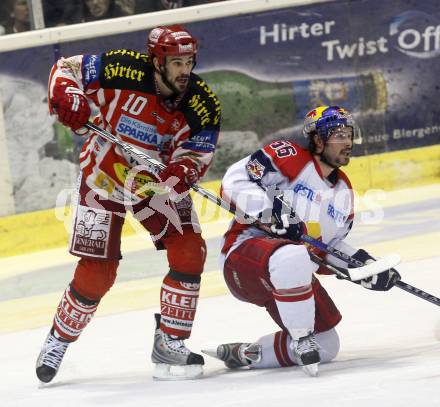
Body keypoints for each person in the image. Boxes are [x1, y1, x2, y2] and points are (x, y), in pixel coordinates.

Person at [35, 24, 221, 382]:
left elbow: (198, 150)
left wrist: (184, 169)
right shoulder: (122, 67)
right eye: (176, 63)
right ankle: (58, 339)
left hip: (154, 184)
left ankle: (170, 341)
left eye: (189, 62)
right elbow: (66, 70)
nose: (185, 71)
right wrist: (70, 97)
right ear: (156, 61)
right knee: (97, 273)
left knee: (190, 250)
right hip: (102, 175)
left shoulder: (202, 102)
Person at [204, 106, 399, 377]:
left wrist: (363, 266)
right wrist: (272, 210)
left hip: (291, 277)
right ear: (318, 140)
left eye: (349, 135)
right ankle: (301, 335)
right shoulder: (288, 155)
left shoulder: (343, 191)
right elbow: (235, 181)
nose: (347, 142)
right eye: (339, 135)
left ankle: (246, 354)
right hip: (243, 258)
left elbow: (324, 250)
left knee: (328, 344)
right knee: (293, 255)